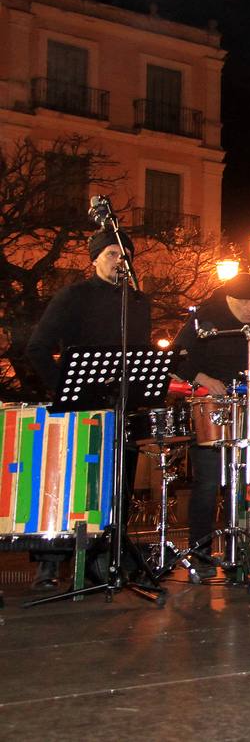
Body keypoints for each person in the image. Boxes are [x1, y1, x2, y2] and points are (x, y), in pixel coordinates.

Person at [24, 228, 153, 590]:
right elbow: (37, 347)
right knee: (71, 488)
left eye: (124, 254)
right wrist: (66, 390)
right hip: (80, 411)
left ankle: (104, 561)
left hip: (121, 410)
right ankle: (49, 566)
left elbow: (139, 355)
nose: (119, 260)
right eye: (112, 253)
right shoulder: (73, 296)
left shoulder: (139, 302)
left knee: (117, 488)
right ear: (94, 259)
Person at [169, 273, 250, 577]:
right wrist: (203, 378)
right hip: (209, 406)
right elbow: (177, 358)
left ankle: (237, 550)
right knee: (209, 481)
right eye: (243, 302)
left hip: (244, 405)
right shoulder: (205, 318)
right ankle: (200, 553)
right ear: (228, 299)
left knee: (242, 480)